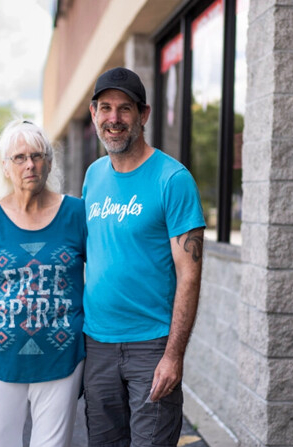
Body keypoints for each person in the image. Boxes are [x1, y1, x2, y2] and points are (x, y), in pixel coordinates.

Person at [82, 67, 205, 446]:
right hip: (97, 345)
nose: (114, 119)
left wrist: (173, 356)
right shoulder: (93, 175)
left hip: (152, 346)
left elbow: (190, 275)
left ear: (144, 115)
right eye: (105, 108)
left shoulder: (173, 179)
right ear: (93, 114)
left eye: (124, 109)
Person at [0, 119, 87, 447]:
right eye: (19, 158)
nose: (30, 164)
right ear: (6, 167)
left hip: (62, 359)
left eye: (38, 155)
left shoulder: (76, 213)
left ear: (50, 162)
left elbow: (101, 276)